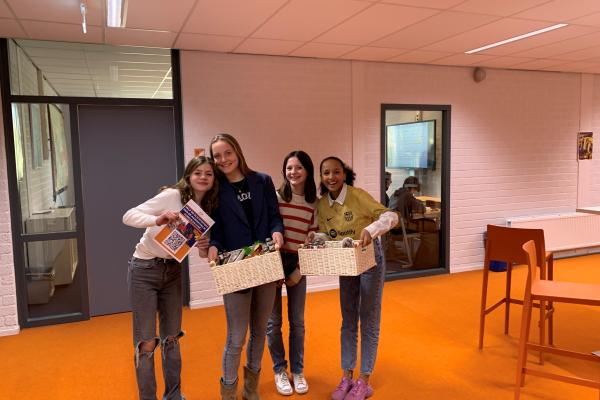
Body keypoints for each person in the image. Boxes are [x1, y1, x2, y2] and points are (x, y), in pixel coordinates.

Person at [122, 156, 218, 400]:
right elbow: (128, 215)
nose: (203, 177)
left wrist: (204, 246)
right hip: (144, 270)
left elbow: (200, 253)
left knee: (172, 339)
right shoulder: (172, 196)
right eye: (198, 173)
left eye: (208, 173)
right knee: (146, 343)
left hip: (173, 271)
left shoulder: (206, 207)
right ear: (189, 176)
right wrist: (157, 219)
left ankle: (174, 396)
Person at [310, 156, 398, 400]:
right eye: (326, 173)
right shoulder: (322, 204)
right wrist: (317, 238)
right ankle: (346, 376)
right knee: (348, 319)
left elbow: (391, 216)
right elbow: (327, 234)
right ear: (321, 176)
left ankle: (364, 380)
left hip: (369, 258)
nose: (331, 177)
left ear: (344, 174)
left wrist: (371, 229)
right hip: (345, 260)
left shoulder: (358, 196)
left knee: (368, 319)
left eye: (336, 172)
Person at [207, 133, 285, 400]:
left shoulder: (262, 181)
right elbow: (217, 229)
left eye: (227, 152)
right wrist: (213, 245)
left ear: (237, 152)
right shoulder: (216, 189)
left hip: (265, 263)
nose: (223, 159)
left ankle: (251, 390)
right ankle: (228, 393)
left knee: (260, 331)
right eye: (217, 156)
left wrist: (277, 231)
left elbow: (274, 216)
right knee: (236, 337)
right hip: (235, 267)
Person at [266, 150, 317, 396]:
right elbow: (268, 231)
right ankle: (279, 370)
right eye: (289, 168)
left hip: (298, 264)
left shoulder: (314, 203)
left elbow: (311, 240)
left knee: (297, 322)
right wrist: (273, 267)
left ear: (307, 171)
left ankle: (297, 371)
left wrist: (299, 269)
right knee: (273, 323)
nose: (293, 172)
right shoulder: (275, 198)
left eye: (298, 167)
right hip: (273, 263)